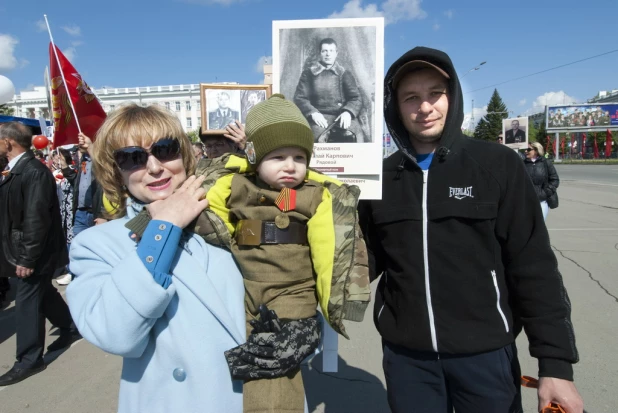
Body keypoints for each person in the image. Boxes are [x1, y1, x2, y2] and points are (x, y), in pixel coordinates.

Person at [358, 47, 583, 413]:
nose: (425, 107)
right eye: (411, 97)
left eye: (435, 94)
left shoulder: (498, 165)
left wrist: (555, 365)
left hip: (485, 357)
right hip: (407, 361)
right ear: (395, 107)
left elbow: (534, 266)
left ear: (453, 97)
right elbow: (365, 257)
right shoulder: (381, 176)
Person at [66, 103, 319, 412]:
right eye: (132, 157)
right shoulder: (98, 244)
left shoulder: (229, 214)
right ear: (115, 172)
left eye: (165, 149)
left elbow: (288, 278)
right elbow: (116, 335)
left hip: (261, 396)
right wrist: (163, 228)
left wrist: (303, 332)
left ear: (185, 156)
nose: (155, 167)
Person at [125, 95, 370, 412]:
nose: (290, 166)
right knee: (231, 371)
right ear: (253, 155)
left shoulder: (314, 194)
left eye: (299, 157)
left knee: (273, 378)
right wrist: (152, 220)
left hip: (292, 296)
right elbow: (191, 204)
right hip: (244, 293)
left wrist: (351, 297)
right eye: (278, 156)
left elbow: (345, 244)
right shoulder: (233, 185)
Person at [0, 122, 79, 386]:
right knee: (41, 292)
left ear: (8, 142)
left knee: (27, 302)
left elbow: (36, 218)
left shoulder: (33, 171)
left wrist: (28, 258)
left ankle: (29, 359)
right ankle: (69, 326)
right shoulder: (15, 169)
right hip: (20, 248)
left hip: (31, 251)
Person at [294, 38, 365, 143]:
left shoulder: (344, 73)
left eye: (331, 51)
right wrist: (313, 113)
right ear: (320, 53)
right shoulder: (308, 73)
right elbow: (300, 97)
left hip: (341, 115)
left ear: (336, 53)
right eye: (325, 51)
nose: (328, 54)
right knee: (315, 139)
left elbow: (356, 97)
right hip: (318, 117)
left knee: (356, 135)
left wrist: (348, 112)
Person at [524, 142, 559, 221]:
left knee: (540, 224)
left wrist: (545, 193)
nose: (526, 151)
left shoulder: (546, 163)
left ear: (536, 151)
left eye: (528, 149)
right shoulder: (523, 164)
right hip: (527, 201)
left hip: (542, 201)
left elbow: (554, 180)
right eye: (525, 149)